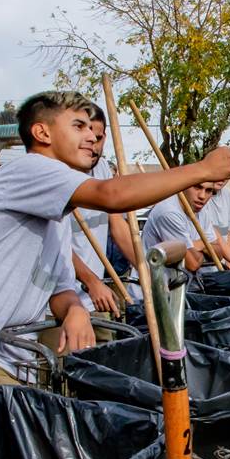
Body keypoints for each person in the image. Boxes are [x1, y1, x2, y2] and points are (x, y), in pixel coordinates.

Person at [0, 91, 230, 398]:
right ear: (42, 132)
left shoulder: (55, 220)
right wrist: (202, 169)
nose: (91, 137)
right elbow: (112, 196)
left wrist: (74, 310)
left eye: (93, 129)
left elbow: (59, 288)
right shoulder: (26, 170)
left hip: (10, 364)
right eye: (78, 126)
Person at [65, 106, 137, 325]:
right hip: (62, 300)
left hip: (97, 298)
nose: (93, 146)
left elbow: (118, 227)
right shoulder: (60, 173)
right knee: (68, 358)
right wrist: (91, 281)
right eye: (88, 138)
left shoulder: (103, 168)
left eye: (98, 138)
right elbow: (55, 244)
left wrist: (148, 272)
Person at [140, 182, 217, 272]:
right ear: (183, 186)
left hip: (186, 282)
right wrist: (206, 245)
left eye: (208, 190)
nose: (202, 196)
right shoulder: (168, 212)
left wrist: (196, 245)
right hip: (154, 283)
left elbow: (218, 254)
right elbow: (193, 263)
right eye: (197, 187)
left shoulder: (201, 209)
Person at [203, 179, 230, 270]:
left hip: (225, 260)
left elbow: (228, 232)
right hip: (207, 262)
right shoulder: (203, 196)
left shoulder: (227, 193)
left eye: (227, 176)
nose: (222, 179)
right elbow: (213, 234)